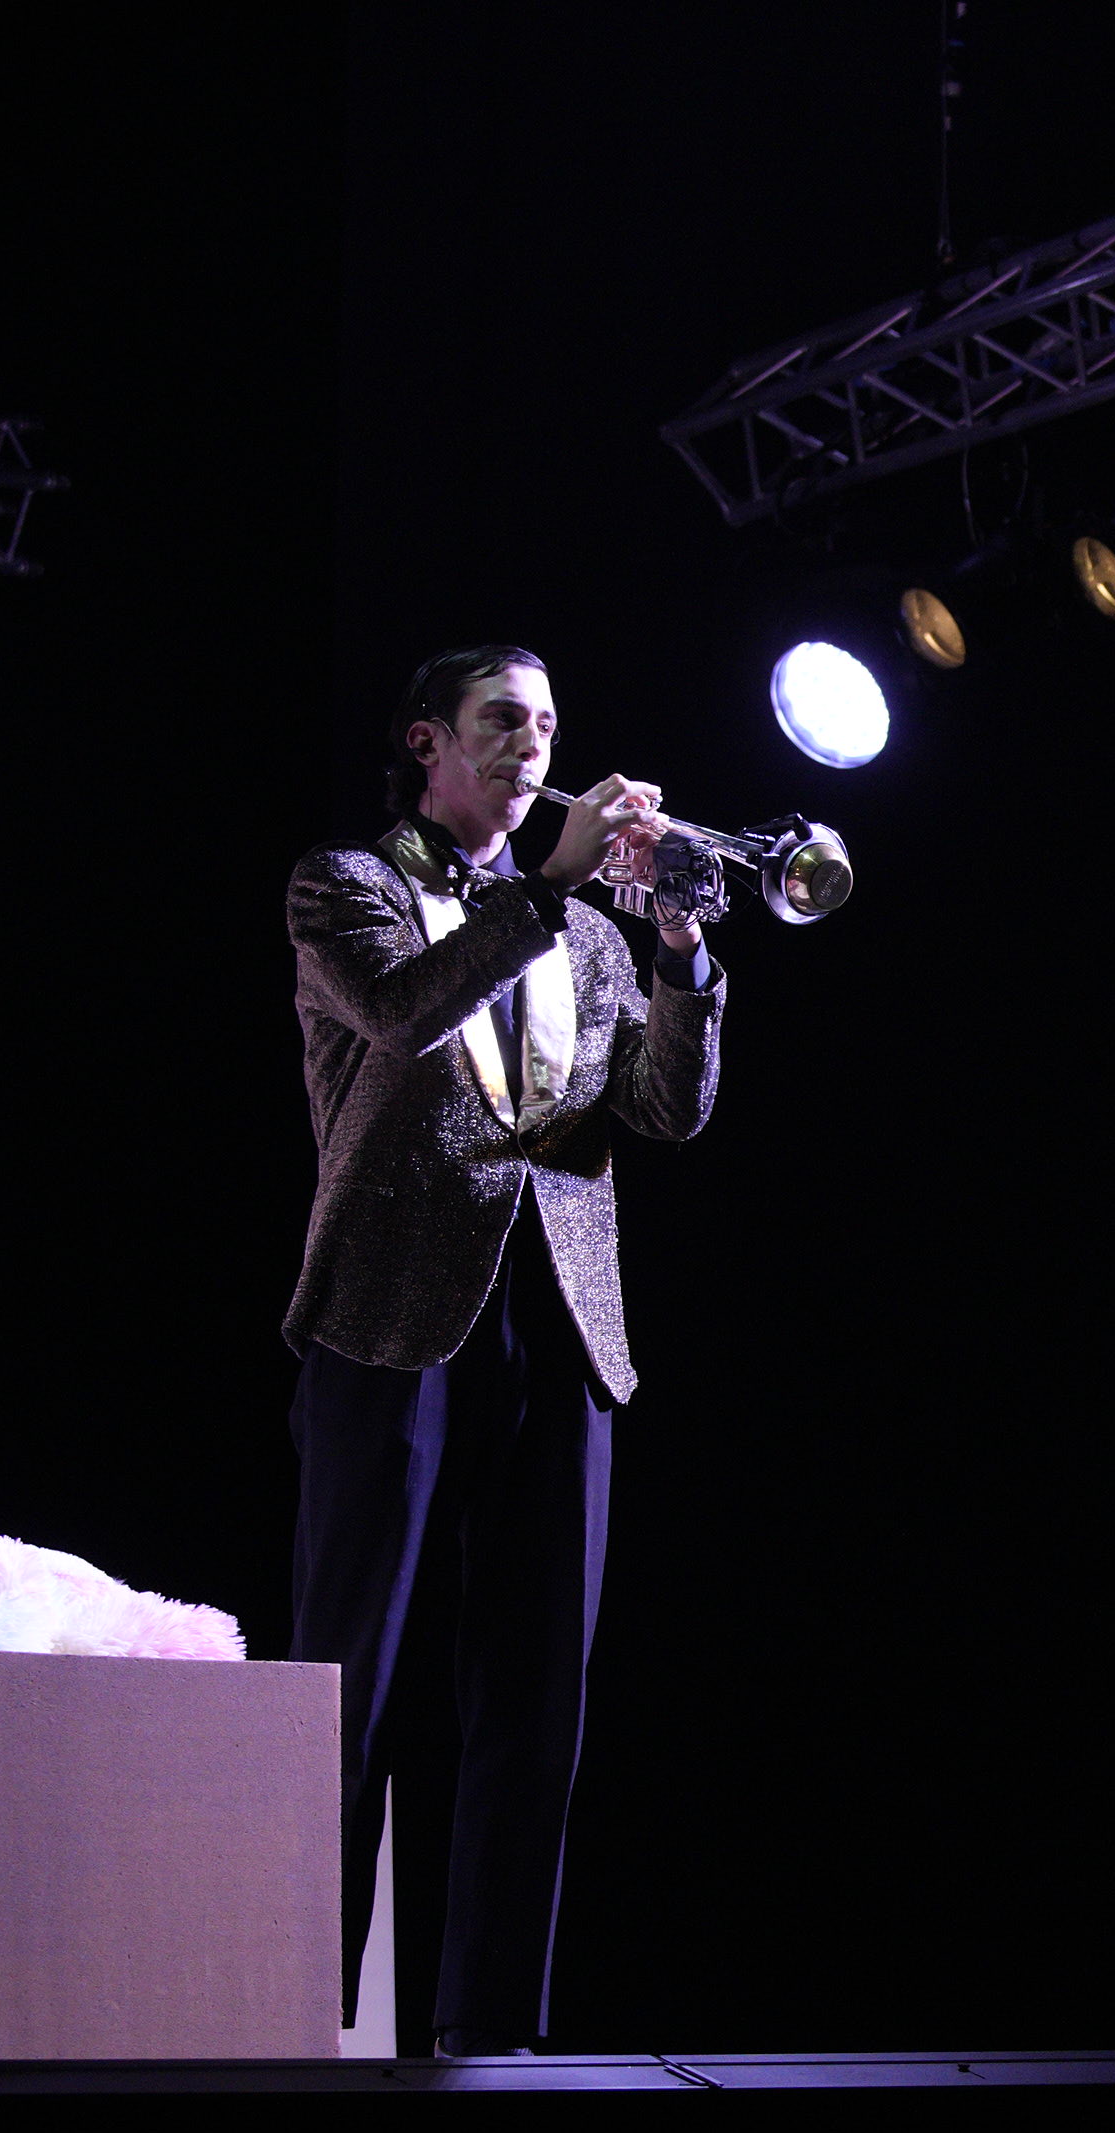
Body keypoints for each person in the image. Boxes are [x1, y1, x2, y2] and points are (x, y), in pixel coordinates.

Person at [285, 645, 725, 2057]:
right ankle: (292, 2026)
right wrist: (548, 887)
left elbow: (666, 1110)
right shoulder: (346, 886)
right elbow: (405, 1014)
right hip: (393, 1315)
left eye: (547, 724)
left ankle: (494, 2042)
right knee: (348, 1689)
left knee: (538, 1700)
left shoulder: (587, 933)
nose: (533, 745)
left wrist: (680, 952)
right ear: (428, 740)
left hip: (561, 1319)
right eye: (501, 721)